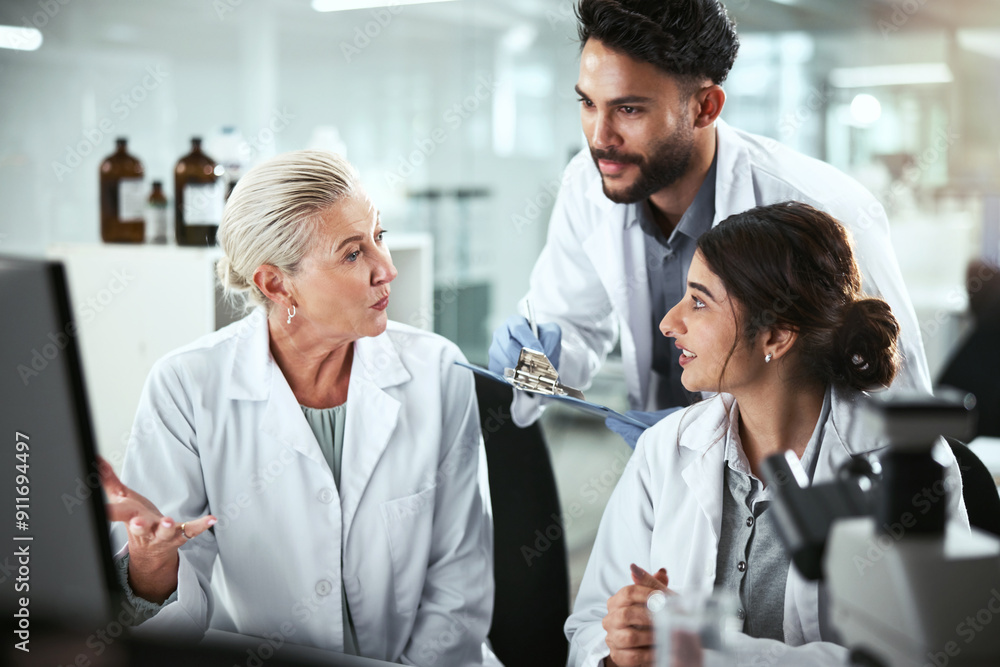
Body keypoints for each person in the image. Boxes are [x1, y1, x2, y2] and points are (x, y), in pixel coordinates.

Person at [101, 150, 502, 665]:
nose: (387, 269)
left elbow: (459, 583)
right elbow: (174, 626)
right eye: (353, 254)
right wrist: (149, 564)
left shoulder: (437, 371)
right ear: (275, 283)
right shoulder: (186, 386)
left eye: (378, 236)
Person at [488, 0, 931, 447]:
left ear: (705, 107)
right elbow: (573, 323)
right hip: (659, 475)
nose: (600, 138)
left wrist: (712, 434)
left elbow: (899, 405)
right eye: (588, 103)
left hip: (789, 482)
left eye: (629, 110)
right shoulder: (589, 182)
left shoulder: (825, 209)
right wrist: (535, 359)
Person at [564, 202, 970, 667]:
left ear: (776, 336)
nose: (669, 323)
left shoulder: (906, 465)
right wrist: (619, 651)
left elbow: (922, 655)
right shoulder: (666, 448)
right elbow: (589, 625)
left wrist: (697, 647)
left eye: (699, 302)